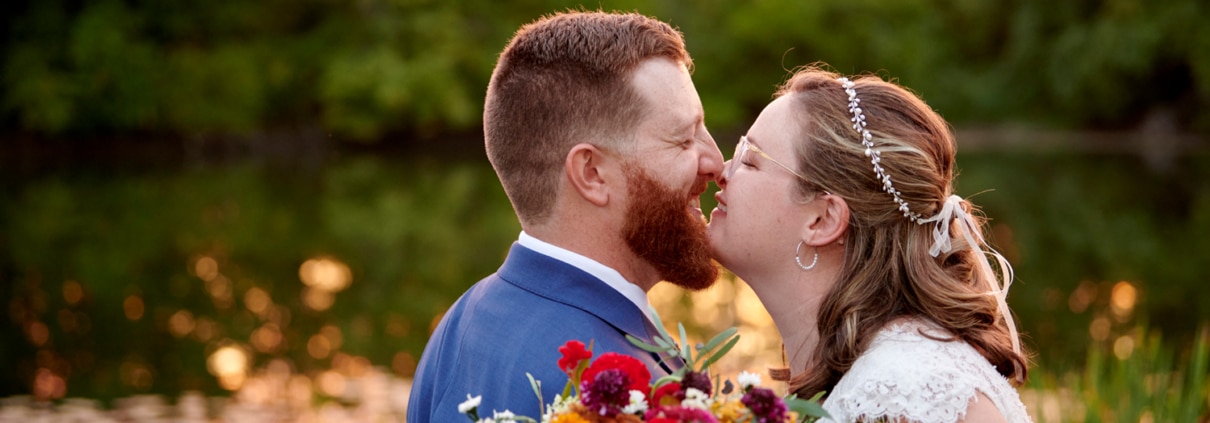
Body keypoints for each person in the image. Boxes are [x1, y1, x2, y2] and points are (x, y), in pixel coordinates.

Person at [406, 11, 724, 423]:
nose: (715, 161)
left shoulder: (460, 324)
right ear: (592, 174)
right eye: (683, 139)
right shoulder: (611, 395)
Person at [708, 65, 1032, 422]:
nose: (722, 171)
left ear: (823, 219)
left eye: (750, 160)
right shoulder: (879, 375)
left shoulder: (903, 391)